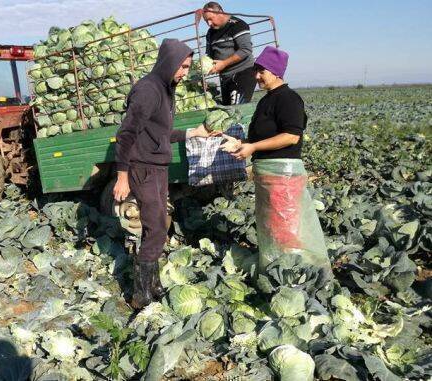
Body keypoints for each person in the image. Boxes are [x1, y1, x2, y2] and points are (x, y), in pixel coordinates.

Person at [113, 38, 215, 309]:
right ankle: (140, 293)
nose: (184, 73)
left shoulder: (166, 89)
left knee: (158, 224)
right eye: (181, 67)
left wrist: (193, 133)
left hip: (157, 167)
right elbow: (126, 134)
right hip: (142, 167)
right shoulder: (148, 90)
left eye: (187, 67)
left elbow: (159, 133)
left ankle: (153, 283)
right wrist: (122, 175)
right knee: (156, 226)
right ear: (169, 62)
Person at [221, 46, 333, 289]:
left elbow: (292, 136)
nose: (257, 76)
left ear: (276, 71)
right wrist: (243, 145)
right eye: (256, 71)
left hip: (283, 174)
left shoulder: (289, 98)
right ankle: (277, 271)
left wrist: (253, 147)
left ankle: (294, 279)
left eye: (262, 71)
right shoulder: (267, 99)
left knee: (285, 227)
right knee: (273, 225)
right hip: (268, 173)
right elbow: (263, 137)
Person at [202, 1, 256, 105]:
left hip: (243, 74)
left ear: (220, 13)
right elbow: (209, 56)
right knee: (227, 111)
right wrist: (203, 76)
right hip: (225, 78)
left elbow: (246, 50)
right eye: (206, 20)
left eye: (210, 19)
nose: (209, 23)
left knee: (236, 110)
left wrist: (223, 64)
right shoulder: (210, 33)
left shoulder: (237, 25)